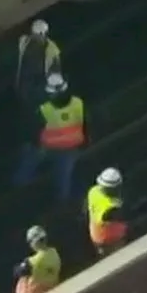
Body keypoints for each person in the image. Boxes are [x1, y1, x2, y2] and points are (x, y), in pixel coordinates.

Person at [13, 73, 85, 202]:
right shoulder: (73, 103)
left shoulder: (52, 107)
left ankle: (58, 200)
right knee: (59, 175)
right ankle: (24, 192)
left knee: (61, 174)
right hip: (54, 147)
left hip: (61, 148)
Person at [15, 19, 62, 110]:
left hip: (40, 85)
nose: (35, 38)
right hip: (25, 82)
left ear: (43, 34)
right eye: (34, 35)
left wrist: (53, 89)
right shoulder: (24, 41)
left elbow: (55, 72)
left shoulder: (52, 49)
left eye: (37, 35)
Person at [14, 225, 62, 293]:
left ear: (34, 242)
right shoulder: (54, 252)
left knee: (23, 279)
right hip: (53, 290)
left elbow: (17, 271)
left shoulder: (34, 261)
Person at [87, 167, 128, 258]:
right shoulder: (110, 207)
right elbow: (122, 216)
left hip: (97, 236)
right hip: (110, 240)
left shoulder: (94, 191)